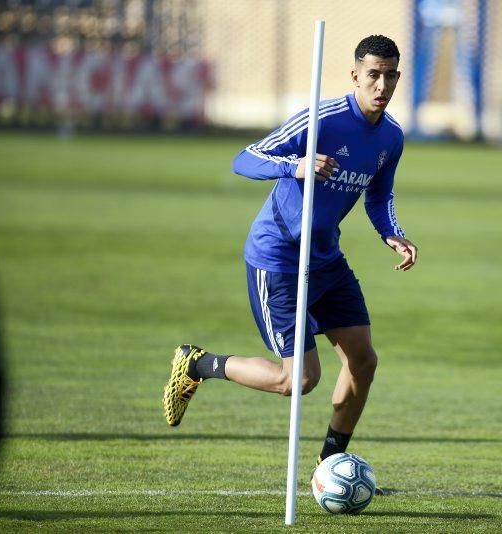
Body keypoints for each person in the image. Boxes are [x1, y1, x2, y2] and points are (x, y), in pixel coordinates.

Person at [162, 35, 417, 483]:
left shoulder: (391, 136)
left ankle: (329, 464)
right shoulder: (323, 120)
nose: (382, 84)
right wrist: (294, 166)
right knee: (297, 381)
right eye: (373, 74)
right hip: (277, 258)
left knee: (364, 361)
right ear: (355, 75)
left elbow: (379, 194)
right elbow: (245, 158)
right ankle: (198, 363)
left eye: (390, 75)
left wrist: (391, 233)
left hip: (326, 260)